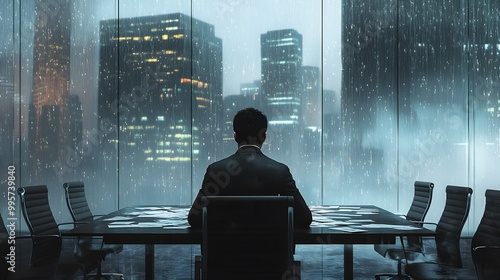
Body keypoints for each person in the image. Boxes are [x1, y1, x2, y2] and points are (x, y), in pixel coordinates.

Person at [188, 107, 312, 228]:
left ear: (235, 136)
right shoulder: (280, 171)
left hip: (226, 249)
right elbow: (304, 218)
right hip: (271, 248)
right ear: (264, 136)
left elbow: (194, 218)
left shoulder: (215, 170)